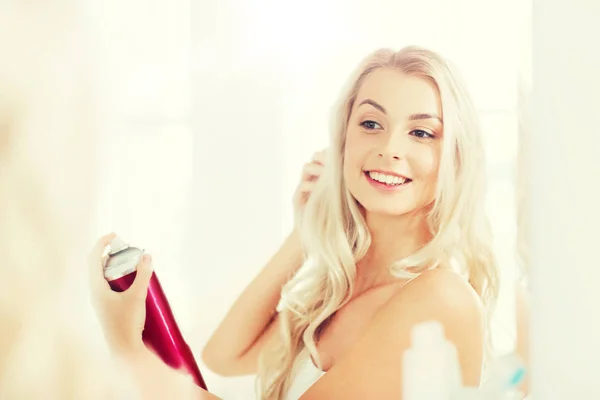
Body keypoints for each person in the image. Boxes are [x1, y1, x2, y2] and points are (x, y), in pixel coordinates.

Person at [91, 45, 505, 399]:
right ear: (343, 141)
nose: (389, 148)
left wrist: (128, 352)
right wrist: (307, 230)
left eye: (421, 133)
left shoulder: (440, 298)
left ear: (454, 157)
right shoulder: (341, 291)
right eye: (371, 124)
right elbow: (224, 355)